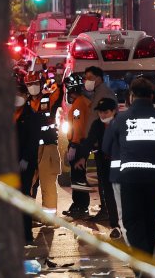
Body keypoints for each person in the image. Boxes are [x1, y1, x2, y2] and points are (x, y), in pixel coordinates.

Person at [111, 77, 155, 258]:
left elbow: (112, 144)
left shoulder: (121, 119)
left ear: (131, 96)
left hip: (131, 177)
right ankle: (146, 261)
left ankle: (142, 264)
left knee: (132, 221)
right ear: (152, 96)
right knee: (149, 222)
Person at [74, 97, 120, 238]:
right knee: (109, 195)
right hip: (104, 165)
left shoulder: (122, 123)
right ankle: (115, 226)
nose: (103, 115)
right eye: (100, 112)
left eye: (106, 112)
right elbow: (89, 141)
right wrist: (82, 157)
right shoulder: (97, 125)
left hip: (121, 166)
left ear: (114, 111)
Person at [24, 67, 62, 216]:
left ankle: (50, 217)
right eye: (29, 84)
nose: (32, 86)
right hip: (31, 148)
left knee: (48, 183)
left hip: (47, 146)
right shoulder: (25, 104)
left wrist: (58, 82)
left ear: (40, 84)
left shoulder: (48, 99)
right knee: (29, 183)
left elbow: (59, 93)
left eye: (35, 83)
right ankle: (29, 215)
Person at [14, 71, 43, 243]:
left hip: (25, 164)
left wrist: (25, 158)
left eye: (19, 94)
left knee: (24, 196)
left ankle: (26, 235)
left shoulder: (31, 116)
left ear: (25, 96)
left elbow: (33, 140)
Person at [63, 72, 93, 219]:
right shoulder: (83, 101)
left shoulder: (78, 105)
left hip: (78, 144)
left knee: (78, 176)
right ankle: (79, 204)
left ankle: (81, 206)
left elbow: (78, 126)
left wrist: (74, 145)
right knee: (78, 176)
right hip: (81, 143)